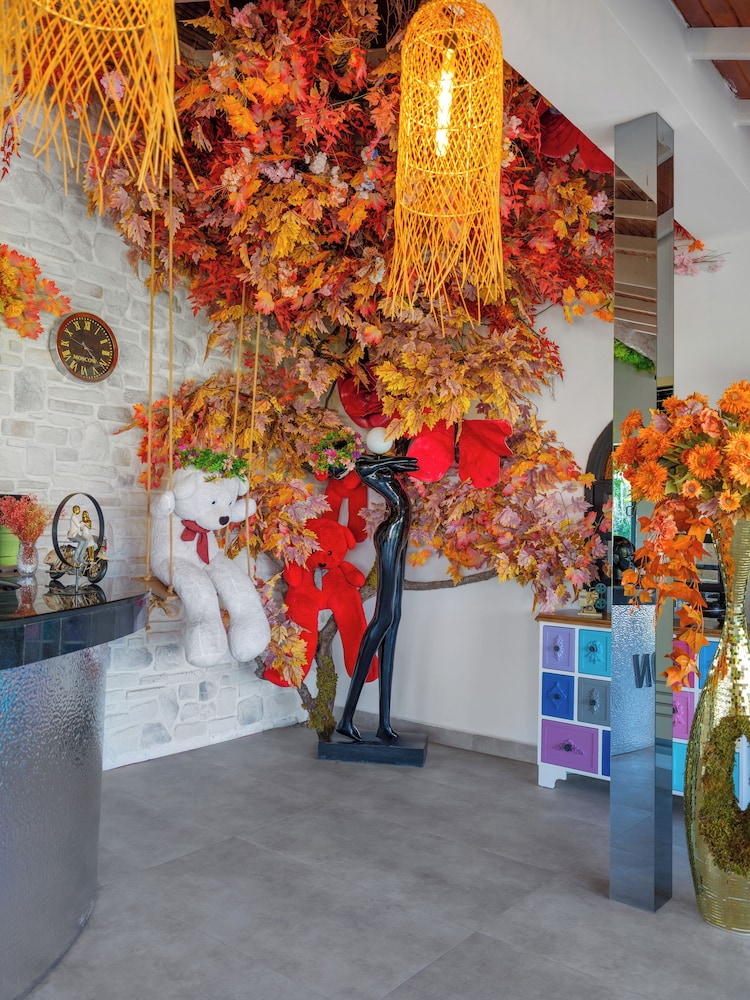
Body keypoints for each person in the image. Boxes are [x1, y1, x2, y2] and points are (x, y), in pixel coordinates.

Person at [336, 452, 419, 743]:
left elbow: (407, 464)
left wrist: (393, 463)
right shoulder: (370, 468)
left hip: (401, 529)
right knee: (383, 618)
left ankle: (384, 724)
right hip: (391, 531)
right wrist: (390, 463)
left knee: (394, 619)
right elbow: (362, 467)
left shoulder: (387, 469)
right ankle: (346, 719)